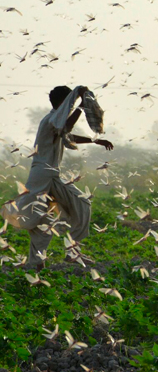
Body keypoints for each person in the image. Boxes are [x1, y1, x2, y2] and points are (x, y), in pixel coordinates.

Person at [1, 85, 113, 270]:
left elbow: (67, 135)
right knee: (80, 203)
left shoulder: (53, 121)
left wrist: (95, 140)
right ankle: (70, 252)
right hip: (44, 176)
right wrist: (80, 108)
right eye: (70, 102)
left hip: (46, 175)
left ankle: (38, 264)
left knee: (43, 222)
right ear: (63, 103)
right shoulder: (51, 120)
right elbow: (66, 127)